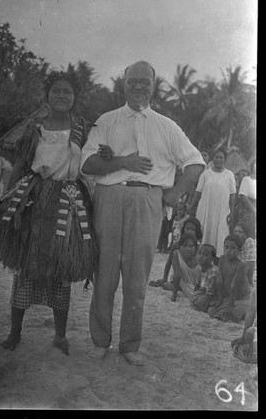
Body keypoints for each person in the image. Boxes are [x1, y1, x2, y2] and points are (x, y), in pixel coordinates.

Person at [80, 61, 205, 365]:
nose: (138, 87)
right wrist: (123, 162)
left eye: (144, 82)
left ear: (153, 86)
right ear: (123, 85)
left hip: (149, 201)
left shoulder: (166, 126)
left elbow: (195, 162)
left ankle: (129, 346)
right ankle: (100, 341)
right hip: (109, 197)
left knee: (137, 280)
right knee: (104, 273)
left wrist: (173, 194)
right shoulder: (106, 121)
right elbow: (87, 165)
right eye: (132, 81)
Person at [0, 70, 99, 355]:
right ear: (46, 96)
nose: (62, 96)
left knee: (62, 267)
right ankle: (15, 332)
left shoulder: (83, 128)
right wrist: (5, 200)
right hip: (33, 199)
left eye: (67, 92)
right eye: (56, 91)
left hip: (69, 201)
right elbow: (22, 162)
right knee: (24, 266)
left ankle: (60, 335)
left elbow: (91, 160)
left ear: (75, 98)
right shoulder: (35, 127)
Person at [189, 147, 236, 257]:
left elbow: (233, 195)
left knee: (221, 234)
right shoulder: (205, 174)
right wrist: (191, 208)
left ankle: (218, 260)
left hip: (221, 211)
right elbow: (198, 192)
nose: (219, 159)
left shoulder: (229, 175)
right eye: (216, 157)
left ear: (225, 159)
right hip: (206, 210)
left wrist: (232, 212)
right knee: (203, 232)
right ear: (212, 158)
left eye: (221, 157)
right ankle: (201, 258)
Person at [208, 234, 252, 323]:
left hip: (244, 298)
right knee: (211, 311)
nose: (228, 250)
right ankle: (232, 311)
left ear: (239, 251)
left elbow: (233, 285)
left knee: (233, 313)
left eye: (232, 248)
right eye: (226, 247)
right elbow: (219, 281)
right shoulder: (222, 259)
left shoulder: (241, 265)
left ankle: (244, 312)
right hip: (231, 297)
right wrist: (220, 300)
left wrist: (231, 306)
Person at [149, 216, 203, 287]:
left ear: (197, 232)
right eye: (187, 228)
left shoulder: (200, 247)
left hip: (195, 279)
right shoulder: (176, 246)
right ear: (183, 230)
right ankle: (162, 283)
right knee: (172, 287)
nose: (189, 231)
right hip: (179, 278)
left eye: (193, 229)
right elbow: (169, 262)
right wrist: (164, 278)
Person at [162, 233, 201, 302]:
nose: (187, 249)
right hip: (181, 282)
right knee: (166, 285)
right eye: (184, 246)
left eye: (191, 246)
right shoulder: (177, 254)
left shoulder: (199, 257)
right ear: (179, 247)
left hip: (196, 286)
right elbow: (177, 275)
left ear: (196, 248)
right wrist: (174, 297)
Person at [190, 244, 218, 312]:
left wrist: (204, 308)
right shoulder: (202, 268)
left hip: (213, 294)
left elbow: (211, 291)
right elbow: (197, 283)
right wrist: (193, 296)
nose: (200, 257)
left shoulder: (213, 271)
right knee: (193, 297)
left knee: (201, 300)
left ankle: (205, 307)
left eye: (205, 255)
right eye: (199, 253)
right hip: (204, 291)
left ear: (212, 259)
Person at [238, 159, 256, 239]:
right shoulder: (247, 180)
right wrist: (254, 210)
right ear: (252, 166)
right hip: (249, 211)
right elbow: (244, 197)